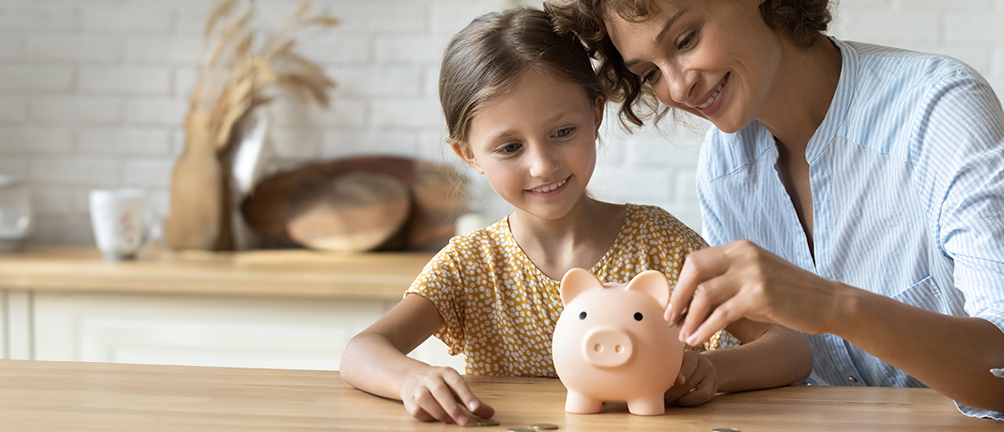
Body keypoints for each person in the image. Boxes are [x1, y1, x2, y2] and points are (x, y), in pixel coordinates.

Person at [548, 0, 1004, 422]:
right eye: (648, 71)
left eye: (687, 38)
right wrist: (708, 371)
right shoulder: (725, 163)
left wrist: (829, 304)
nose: (678, 85)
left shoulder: (938, 107)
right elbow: (789, 357)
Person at [338, 7, 811, 426]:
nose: (542, 165)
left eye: (563, 131)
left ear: (596, 113)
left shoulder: (660, 244)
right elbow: (362, 351)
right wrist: (413, 379)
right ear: (469, 156)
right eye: (509, 147)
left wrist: (714, 370)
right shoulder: (472, 267)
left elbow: (791, 347)